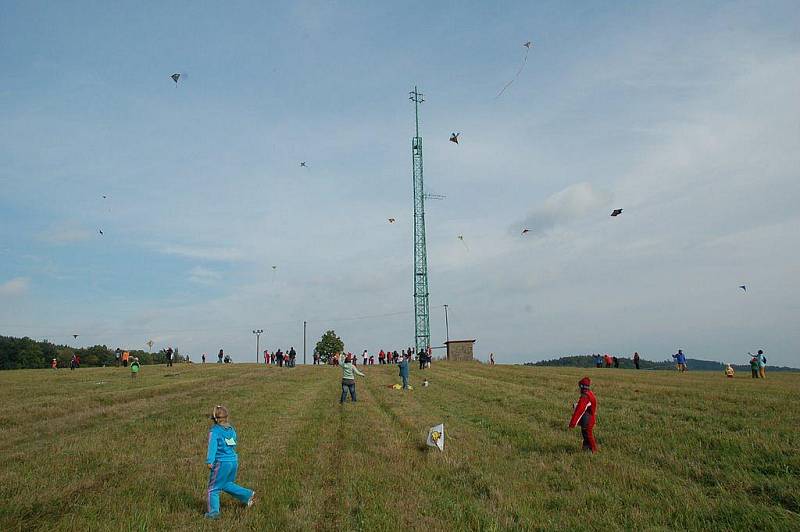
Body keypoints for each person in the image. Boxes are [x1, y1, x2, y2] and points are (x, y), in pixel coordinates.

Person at [204, 405, 255, 519]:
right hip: (233, 461)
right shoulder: (231, 430)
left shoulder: (215, 431)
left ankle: (214, 513)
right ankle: (247, 494)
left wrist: (210, 461)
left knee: (213, 488)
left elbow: (212, 446)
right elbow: (234, 442)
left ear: (215, 419)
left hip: (221, 463)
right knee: (226, 484)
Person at [568, 377, 598, 453]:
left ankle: (593, 450)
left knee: (588, 435)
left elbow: (580, 411)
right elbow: (586, 406)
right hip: (589, 418)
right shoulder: (589, 393)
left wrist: (572, 423)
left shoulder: (585, 396)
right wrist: (577, 404)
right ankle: (586, 449)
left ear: (582, 386)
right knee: (586, 434)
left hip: (588, 420)